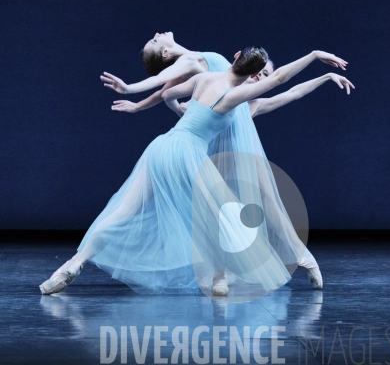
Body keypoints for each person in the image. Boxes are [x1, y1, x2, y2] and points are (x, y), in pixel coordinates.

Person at [39, 47, 353, 298]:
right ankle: (220, 278)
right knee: (224, 217)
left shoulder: (207, 79)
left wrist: (183, 112)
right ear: (255, 74)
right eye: (261, 76)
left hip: (162, 147)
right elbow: (284, 83)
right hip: (189, 154)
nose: (262, 80)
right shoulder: (235, 97)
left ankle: (72, 264)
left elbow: (167, 94)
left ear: (234, 58)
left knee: (123, 211)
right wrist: (314, 58)